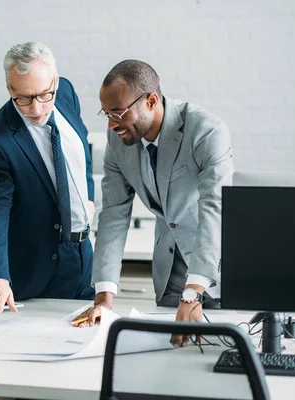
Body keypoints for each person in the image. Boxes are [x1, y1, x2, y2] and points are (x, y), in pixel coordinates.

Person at [73, 60, 234, 347]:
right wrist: (104, 296)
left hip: (218, 267)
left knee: (222, 353)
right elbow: (113, 213)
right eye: (106, 114)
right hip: (169, 269)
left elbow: (214, 207)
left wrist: (194, 290)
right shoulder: (118, 140)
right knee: (170, 356)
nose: (111, 124)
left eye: (118, 113)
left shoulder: (206, 130)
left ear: (150, 101)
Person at [0, 41, 95, 317]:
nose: (37, 109)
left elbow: (80, 151)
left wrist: (87, 198)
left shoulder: (66, 93)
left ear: (54, 81)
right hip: (42, 267)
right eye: (24, 98)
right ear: (10, 90)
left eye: (44, 95)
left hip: (84, 255)